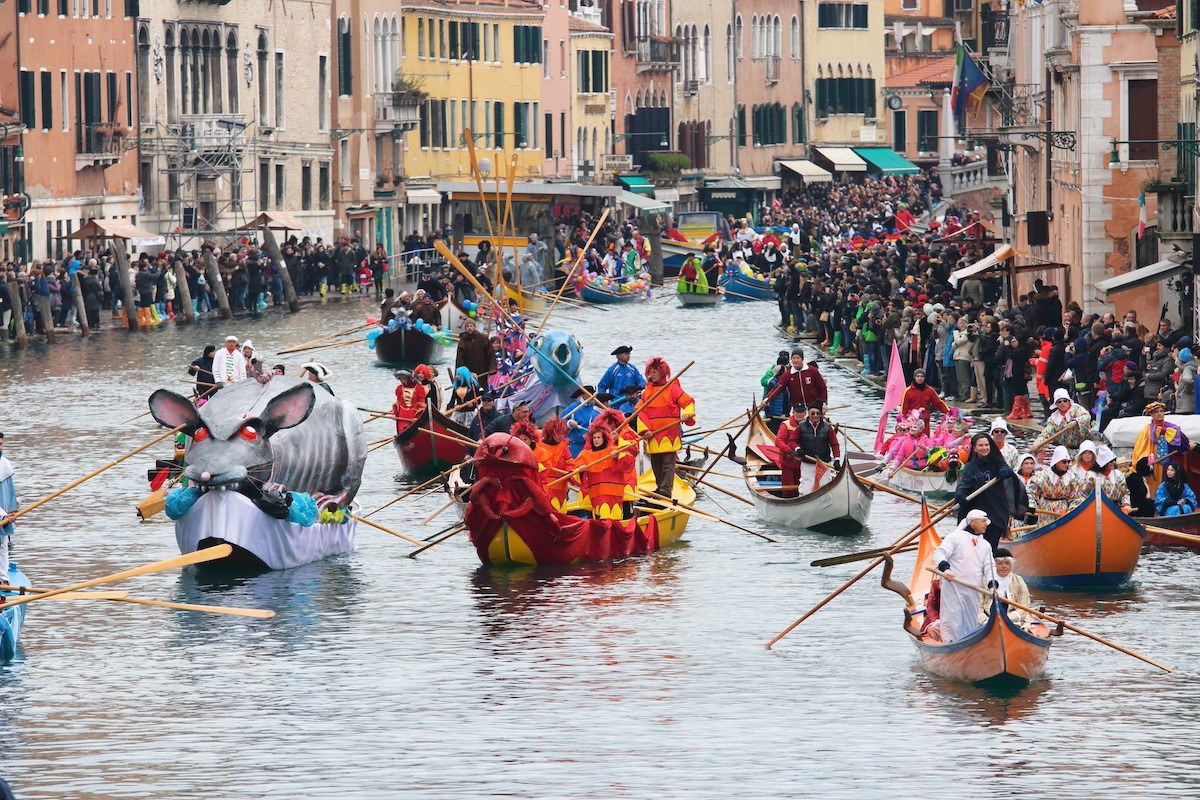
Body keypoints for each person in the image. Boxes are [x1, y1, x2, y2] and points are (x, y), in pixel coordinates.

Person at [932, 509, 996, 643]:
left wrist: (992, 586)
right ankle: (949, 643)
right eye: (983, 521)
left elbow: (990, 567)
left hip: (973, 590)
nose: (986, 524)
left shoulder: (986, 545)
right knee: (952, 618)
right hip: (953, 586)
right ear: (972, 523)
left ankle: (967, 646)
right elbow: (939, 554)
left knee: (970, 621)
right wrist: (946, 569)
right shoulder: (955, 537)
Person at [637, 357, 696, 499]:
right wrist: (645, 430)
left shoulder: (673, 388)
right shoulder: (647, 392)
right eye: (650, 372)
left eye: (654, 371)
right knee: (656, 464)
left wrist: (687, 415)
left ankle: (666, 490)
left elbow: (689, 402)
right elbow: (641, 412)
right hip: (653, 435)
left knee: (668, 464)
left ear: (662, 372)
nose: (652, 374)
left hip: (669, 434)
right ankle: (659, 488)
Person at [953, 432, 1023, 550]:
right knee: (975, 545)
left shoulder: (997, 461)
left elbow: (1005, 468)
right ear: (974, 448)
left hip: (996, 509)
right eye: (980, 446)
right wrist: (960, 494)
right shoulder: (971, 466)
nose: (984, 448)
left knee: (991, 544)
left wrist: (1005, 471)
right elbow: (964, 483)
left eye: (986, 445)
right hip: (977, 507)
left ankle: (991, 562)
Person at [574, 418, 633, 520]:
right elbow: (574, 475)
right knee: (599, 517)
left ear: (604, 438)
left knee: (612, 517)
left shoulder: (613, 451)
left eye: (598, 437)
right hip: (596, 493)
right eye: (594, 438)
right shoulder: (585, 455)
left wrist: (618, 456)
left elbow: (629, 461)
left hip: (613, 492)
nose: (596, 440)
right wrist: (580, 471)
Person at [1132, 401, 1192, 493]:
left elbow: (1184, 444)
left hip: (1170, 463)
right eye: (1156, 412)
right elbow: (1140, 451)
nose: (1159, 414)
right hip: (1155, 466)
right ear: (1151, 414)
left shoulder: (1172, 428)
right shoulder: (1145, 431)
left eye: (1161, 411)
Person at [1026, 445, 1084, 527]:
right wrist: (1032, 506)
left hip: (1063, 512)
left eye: (1068, 462)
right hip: (1045, 510)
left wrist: (1071, 511)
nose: (1067, 464)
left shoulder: (1073, 478)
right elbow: (1030, 492)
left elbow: (1076, 498)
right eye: (1064, 462)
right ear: (1057, 461)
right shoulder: (1043, 476)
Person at [977, 548, 1035, 629]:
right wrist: (985, 621)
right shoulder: (983, 581)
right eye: (1000, 563)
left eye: (1007, 563)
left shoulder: (1019, 580)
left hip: (1012, 621)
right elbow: (977, 607)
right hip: (987, 623)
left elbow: (1023, 607)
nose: (1004, 566)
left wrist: (1006, 619)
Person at [1030, 387, 1093, 453]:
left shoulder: (1077, 409)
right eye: (1059, 402)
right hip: (1067, 450)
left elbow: (1086, 417)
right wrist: (1037, 444)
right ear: (1056, 404)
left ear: (1069, 401)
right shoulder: (1054, 418)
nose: (1062, 403)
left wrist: (1076, 422)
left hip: (1084, 448)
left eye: (1065, 401)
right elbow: (1046, 433)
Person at [535, 417, 577, 511]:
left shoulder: (564, 447)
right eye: (559, 433)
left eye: (562, 433)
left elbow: (569, 464)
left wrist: (569, 472)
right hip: (543, 487)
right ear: (551, 432)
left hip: (560, 489)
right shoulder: (539, 446)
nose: (561, 436)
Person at [900, 368, 949, 437]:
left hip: (925, 421)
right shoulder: (908, 391)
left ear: (924, 378)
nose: (920, 378)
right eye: (918, 376)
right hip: (911, 421)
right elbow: (903, 409)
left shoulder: (930, 390)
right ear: (914, 377)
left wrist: (949, 412)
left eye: (921, 376)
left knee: (925, 440)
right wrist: (903, 421)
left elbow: (939, 403)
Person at [1095, 445, 1132, 512]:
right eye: (1111, 461)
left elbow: (1125, 492)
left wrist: (1126, 505)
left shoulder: (1118, 474)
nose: (1114, 462)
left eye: (1114, 460)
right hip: (1097, 510)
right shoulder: (1093, 476)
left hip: (1116, 509)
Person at [0, 433, 16, 578]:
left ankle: (3, 578)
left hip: (2, 511)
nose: (0, 448)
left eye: (1, 444)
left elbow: (9, 491)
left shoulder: (5, 464)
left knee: (3, 543)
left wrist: (9, 512)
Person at [392, 369, 428, 434]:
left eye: (402, 378)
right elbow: (398, 403)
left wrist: (417, 417)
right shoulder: (399, 388)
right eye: (400, 378)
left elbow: (421, 404)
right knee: (402, 431)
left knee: (413, 431)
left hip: (413, 415)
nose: (400, 380)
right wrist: (394, 414)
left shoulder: (419, 388)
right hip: (401, 415)